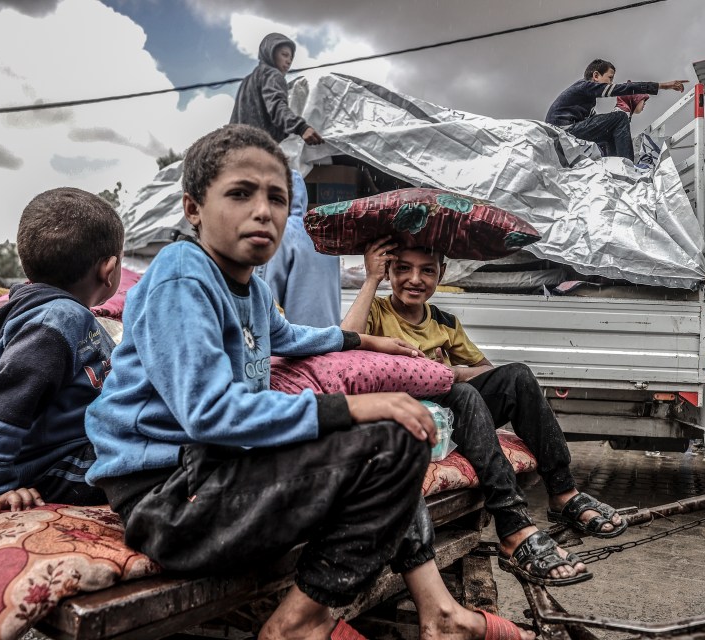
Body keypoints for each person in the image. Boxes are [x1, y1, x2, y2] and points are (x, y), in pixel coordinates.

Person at [84, 124, 531, 640]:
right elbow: (209, 413)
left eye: (277, 197)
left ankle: (438, 613)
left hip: (214, 474)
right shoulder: (183, 276)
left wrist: (363, 343)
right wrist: (352, 407)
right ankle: (300, 625)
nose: (264, 211)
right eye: (240, 193)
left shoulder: (246, 286)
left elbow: (287, 334)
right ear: (193, 208)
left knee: (392, 441)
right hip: (170, 500)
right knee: (385, 439)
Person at [342, 240, 631, 587]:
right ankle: (512, 523)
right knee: (462, 394)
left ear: (441, 273)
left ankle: (563, 491)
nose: (414, 279)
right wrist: (370, 280)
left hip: (453, 411)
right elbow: (343, 343)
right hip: (405, 416)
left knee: (518, 376)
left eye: (427, 270)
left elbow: (486, 372)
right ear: (389, 271)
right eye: (402, 268)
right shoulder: (376, 311)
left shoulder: (445, 322)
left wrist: (450, 372)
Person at [0, 187, 124, 514]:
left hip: (73, 446)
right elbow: (1, 399)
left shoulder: (37, 311)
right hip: (56, 460)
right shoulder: (58, 320)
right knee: (152, 459)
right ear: (109, 269)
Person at [544, 58, 686, 161]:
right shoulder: (584, 86)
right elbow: (623, 88)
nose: (611, 82)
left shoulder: (586, 100)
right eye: (610, 78)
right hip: (562, 131)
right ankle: (627, 165)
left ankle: (614, 165)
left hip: (564, 132)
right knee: (619, 118)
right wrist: (662, 86)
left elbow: (599, 124)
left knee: (610, 130)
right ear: (596, 76)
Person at [255, 169, 341, 327]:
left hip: (295, 342)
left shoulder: (281, 232)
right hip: (329, 339)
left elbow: (265, 299)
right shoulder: (324, 232)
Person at [230, 32, 324, 146]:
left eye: (291, 58)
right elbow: (276, 106)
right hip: (259, 150)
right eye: (284, 54)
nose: (289, 61)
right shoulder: (272, 74)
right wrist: (301, 127)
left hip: (237, 148)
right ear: (270, 52)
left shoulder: (248, 80)